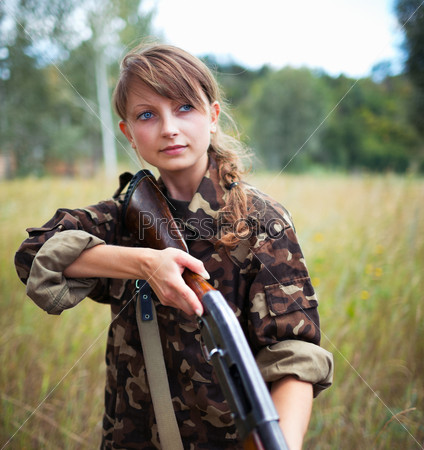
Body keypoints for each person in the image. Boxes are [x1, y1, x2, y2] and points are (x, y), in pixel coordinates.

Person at [15, 43, 333, 450]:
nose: (169, 128)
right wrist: (143, 262)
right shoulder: (122, 218)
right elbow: (35, 253)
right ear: (128, 134)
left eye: (185, 108)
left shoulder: (261, 221)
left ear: (213, 117)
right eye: (147, 115)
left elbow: (294, 353)